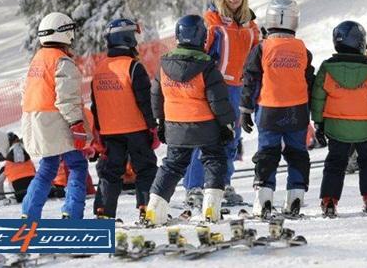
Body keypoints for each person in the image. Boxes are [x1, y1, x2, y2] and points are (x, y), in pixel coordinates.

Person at [145, 15, 235, 224]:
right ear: (202, 38)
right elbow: (218, 100)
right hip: (205, 126)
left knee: (172, 166)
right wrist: (226, 125)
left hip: (175, 126)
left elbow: (156, 96)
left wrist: (159, 122)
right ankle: (211, 209)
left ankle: (154, 209)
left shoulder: (164, 65)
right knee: (214, 160)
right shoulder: (207, 67)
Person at [185, 0, 261, 207]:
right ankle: (194, 187)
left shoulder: (251, 26)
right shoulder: (212, 21)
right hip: (214, 86)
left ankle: (223, 184)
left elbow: (257, 59)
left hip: (238, 88)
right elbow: (201, 52)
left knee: (231, 138)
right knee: (206, 136)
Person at [240, 0, 315, 219]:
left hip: (269, 109)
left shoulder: (261, 48)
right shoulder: (302, 49)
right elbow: (309, 80)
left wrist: (245, 109)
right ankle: (296, 197)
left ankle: (263, 198)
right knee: (297, 153)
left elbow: (250, 80)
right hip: (297, 110)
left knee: (267, 153)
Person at [311, 21, 367, 217]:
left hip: (336, 127)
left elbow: (318, 97)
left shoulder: (327, 68)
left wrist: (319, 123)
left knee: (335, 163)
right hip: (366, 127)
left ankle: (329, 200)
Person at [20, 12, 90, 220]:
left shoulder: (38, 60)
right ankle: (72, 213)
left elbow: (25, 91)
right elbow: (66, 98)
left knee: (47, 167)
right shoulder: (61, 61)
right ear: (64, 33)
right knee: (77, 165)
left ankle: (29, 213)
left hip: (34, 119)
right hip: (55, 119)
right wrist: (76, 123)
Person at [90, 19, 159, 220]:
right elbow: (146, 101)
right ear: (127, 37)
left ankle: (103, 211)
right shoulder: (134, 67)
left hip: (110, 132)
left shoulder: (100, 68)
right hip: (136, 129)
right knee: (145, 169)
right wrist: (152, 126)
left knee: (110, 172)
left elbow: (95, 104)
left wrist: (99, 132)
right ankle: (148, 209)